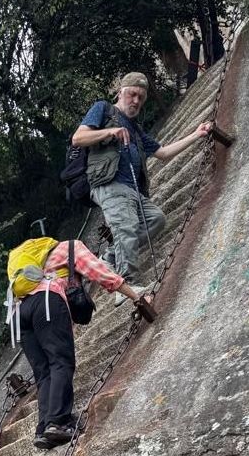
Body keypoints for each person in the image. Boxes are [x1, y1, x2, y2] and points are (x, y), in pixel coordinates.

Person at [71, 72, 212, 305]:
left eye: (141, 97)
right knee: (125, 228)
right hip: (109, 184)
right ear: (120, 92)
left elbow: (163, 153)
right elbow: (79, 138)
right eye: (132, 94)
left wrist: (197, 134)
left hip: (133, 190)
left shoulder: (135, 129)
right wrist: (110, 131)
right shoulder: (103, 109)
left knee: (156, 219)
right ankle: (125, 284)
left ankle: (109, 258)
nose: (136, 100)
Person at [19, 239, 149, 449]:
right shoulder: (71, 247)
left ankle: (43, 428)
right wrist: (136, 297)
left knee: (43, 373)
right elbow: (102, 274)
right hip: (47, 301)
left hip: (21, 314)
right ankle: (59, 422)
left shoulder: (34, 262)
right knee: (61, 361)